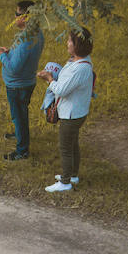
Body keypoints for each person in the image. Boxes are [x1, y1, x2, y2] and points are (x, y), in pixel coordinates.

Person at [36, 27, 94, 192]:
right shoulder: (78, 61)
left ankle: (65, 182)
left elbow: (61, 90)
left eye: (70, 41)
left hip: (72, 114)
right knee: (73, 144)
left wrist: (49, 79)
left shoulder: (80, 68)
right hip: (76, 112)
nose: (67, 43)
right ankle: (73, 175)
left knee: (65, 148)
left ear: (78, 45)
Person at [0, 0, 44, 161]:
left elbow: (14, 68)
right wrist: (10, 52)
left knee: (19, 116)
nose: (14, 17)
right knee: (22, 112)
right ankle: (19, 133)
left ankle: (22, 150)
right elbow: (22, 57)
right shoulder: (36, 33)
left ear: (26, 17)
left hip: (18, 86)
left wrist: (0, 54)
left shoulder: (25, 40)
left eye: (17, 14)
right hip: (27, 82)